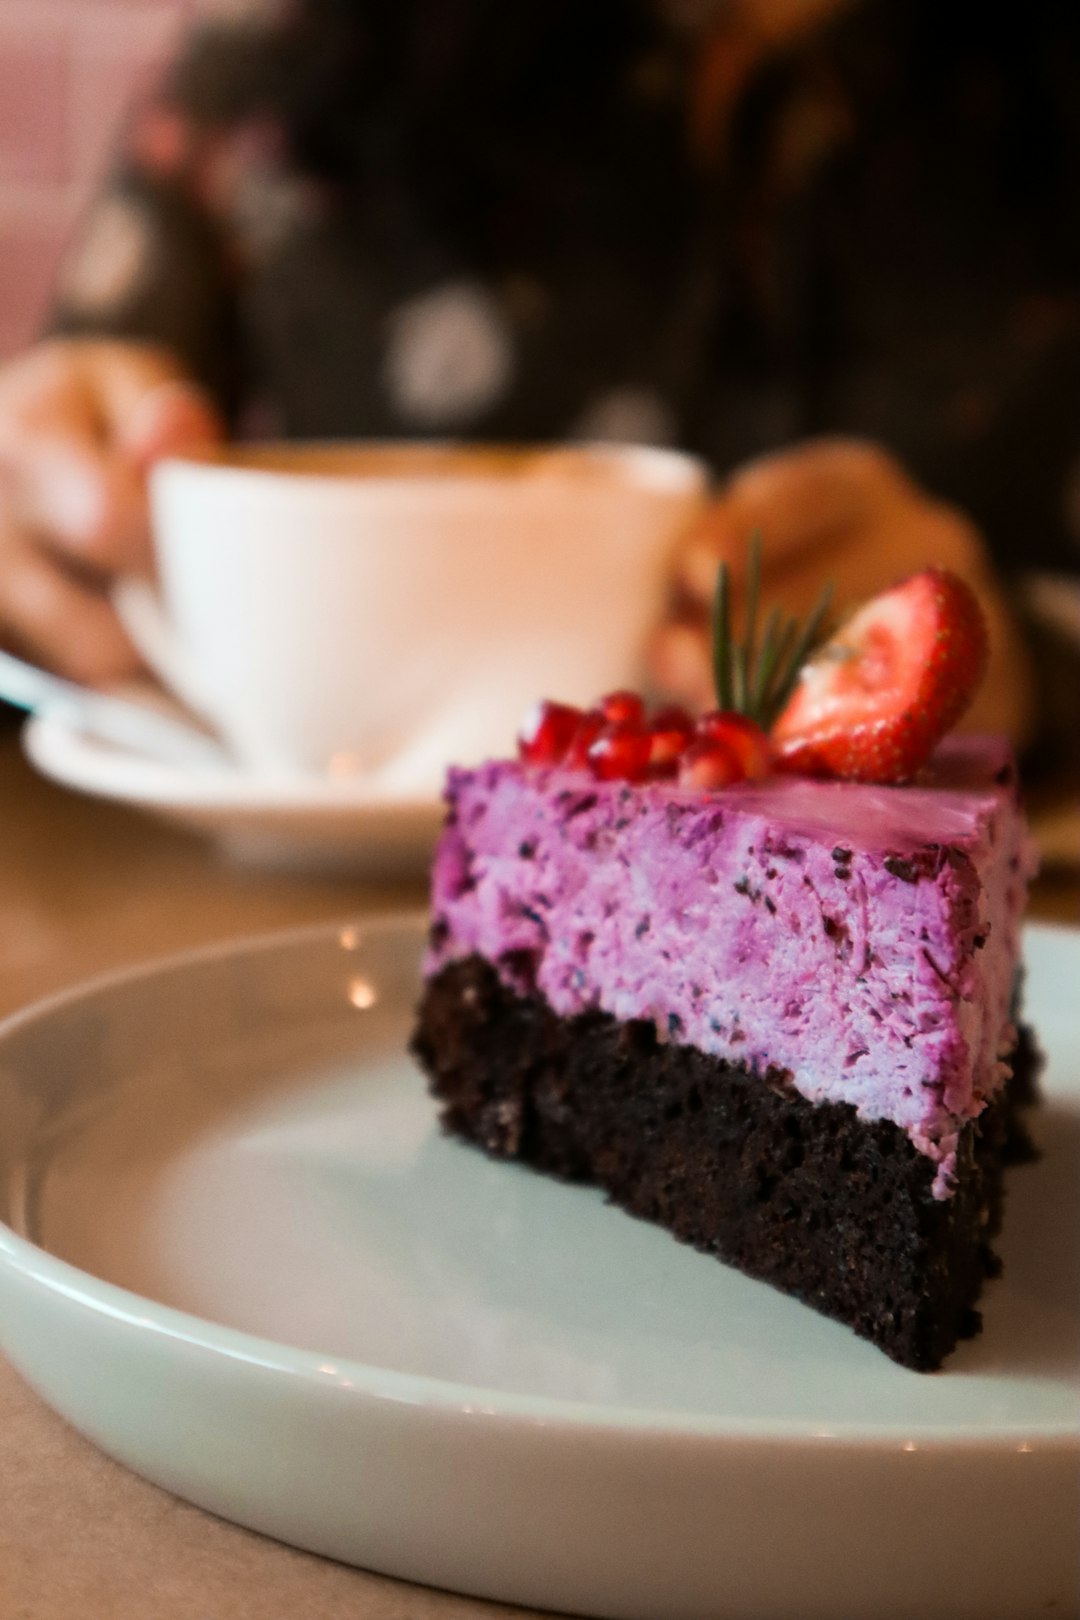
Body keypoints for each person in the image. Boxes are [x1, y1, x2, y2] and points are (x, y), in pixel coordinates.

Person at [1, 0, 1077, 750]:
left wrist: (1024, 664)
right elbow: (75, 466)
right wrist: (48, 519)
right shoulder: (287, 63)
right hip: (271, 966)